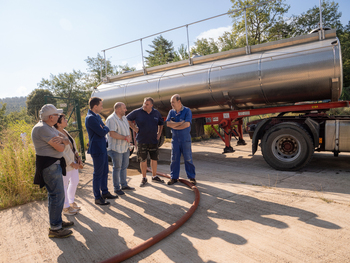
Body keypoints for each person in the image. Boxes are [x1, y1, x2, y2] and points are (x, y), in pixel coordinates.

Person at [31, 104, 74, 238]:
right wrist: (63, 142)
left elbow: (67, 141)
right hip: (50, 166)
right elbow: (61, 148)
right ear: (51, 117)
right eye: (57, 115)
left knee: (56, 196)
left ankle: (57, 222)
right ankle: (55, 228)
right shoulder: (42, 129)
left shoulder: (48, 127)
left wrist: (62, 140)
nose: (59, 117)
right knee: (57, 195)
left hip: (53, 165)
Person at [85, 97, 118, 205]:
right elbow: (102, 131)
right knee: (98, 173)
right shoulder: (90, 118)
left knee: (105, 172)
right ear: (95, 106)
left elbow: (103, 127)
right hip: (97, 149)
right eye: (101, 105)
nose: (102, 107)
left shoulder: (96, 116)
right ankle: (97, 197)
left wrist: (104, 127)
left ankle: (105, 192)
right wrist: (105, 128)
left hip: (102, 147)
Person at [127, 97, 164, 187]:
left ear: (151, 105)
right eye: (144, 103)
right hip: (142, 141)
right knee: (142, 160)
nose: (144, 105)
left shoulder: (156, 113)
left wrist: (159, 134)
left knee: (154, 159)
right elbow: (127, 119)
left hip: (153, 141)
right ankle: (144, 178)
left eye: (147, 104)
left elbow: (161, 123)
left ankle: (154, 176)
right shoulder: (137, 112)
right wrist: (134, 128)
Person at [54, 114, 83, 215]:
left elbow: (72, 145)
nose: (66, 120)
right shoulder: (56, 134)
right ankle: (65, 207)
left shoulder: (65, 131)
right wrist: (71, 163)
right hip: (66, 164)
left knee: (75, 181)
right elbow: (62, 152)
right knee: (64, 185)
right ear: (58, 123)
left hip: (73, 161)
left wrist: (78, 156)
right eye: (64, 119)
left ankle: (71, 201)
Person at [165, 94, 196, 185]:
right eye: (171, 103)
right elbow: (167, 124)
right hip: (175, 140)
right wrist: (179, 124)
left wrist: (174, 126)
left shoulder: (187, 110)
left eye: (173, 102)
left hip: (185, 139)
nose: (172, 104)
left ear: (179, 101)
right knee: (174, 159)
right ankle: (173, 177)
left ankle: (191, 177)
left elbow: (187, 124)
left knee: (188, 158)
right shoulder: (171, 112)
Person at [106, 102, 135, 195]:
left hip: (125, 147)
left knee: (124, 166)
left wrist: (130, 142)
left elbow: (128, 130)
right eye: (124, 108)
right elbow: (112, 134)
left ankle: (124, 185)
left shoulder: (124, 118)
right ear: (119, 109)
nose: (126, 110)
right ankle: (116, 188)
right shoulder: (111, 119)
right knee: (117, 167)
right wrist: (125, 138)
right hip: (115, 148)